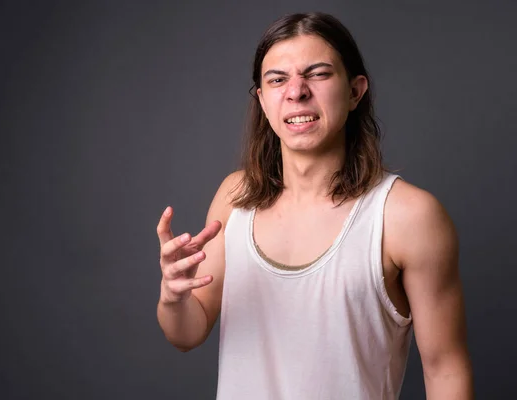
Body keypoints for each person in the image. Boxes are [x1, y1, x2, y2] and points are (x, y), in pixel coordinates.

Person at [156, 12, 473, 399]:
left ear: (356, 91)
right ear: (261, 98)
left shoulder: (407, 216)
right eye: (277, 79)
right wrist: (173, 297)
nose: (296, 91)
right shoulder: (234, 197)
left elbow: (445, 370)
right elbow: (187, 333)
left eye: (318, 74)